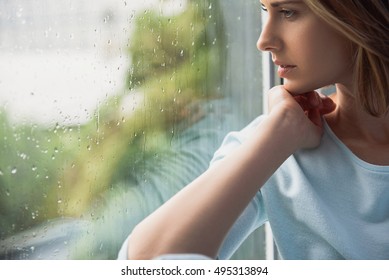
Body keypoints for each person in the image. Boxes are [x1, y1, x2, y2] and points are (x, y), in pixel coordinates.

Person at [118, 0, 389, 260]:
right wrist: (279, 134)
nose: (264, 40)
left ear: (357, 15)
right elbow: (145, 265)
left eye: (288, 12)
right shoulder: (275, 145)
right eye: (264, 10)